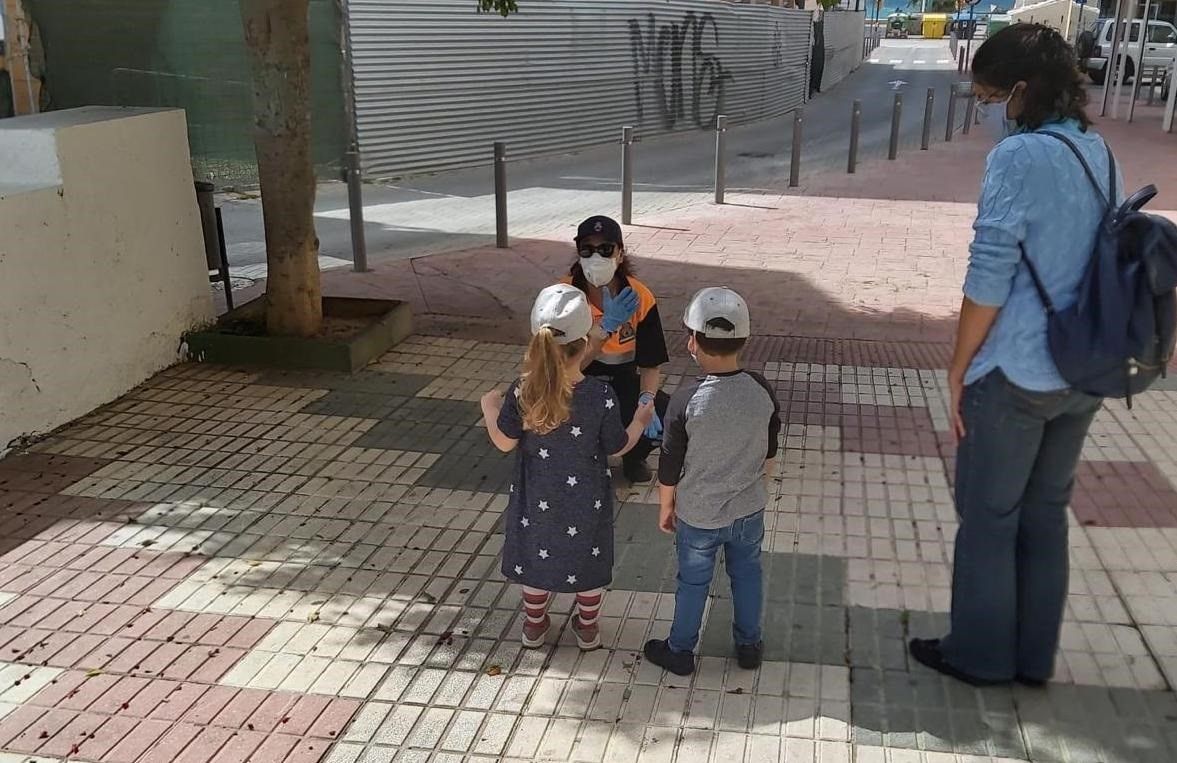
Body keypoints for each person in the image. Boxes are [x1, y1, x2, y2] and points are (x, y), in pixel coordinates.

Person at [909, 24, 1116, 687]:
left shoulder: (1017, 158)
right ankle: (1030, 659)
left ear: (1019, 91)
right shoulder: (1096, 148)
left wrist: (957, 365)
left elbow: (987, 276)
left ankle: (978, 654)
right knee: (1044, 513)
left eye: (987, 93)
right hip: (1082, 366)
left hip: (1015, 370)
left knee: (988, 518)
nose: (983, 106)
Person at [481, 284, 653, 651]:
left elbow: (504, 442)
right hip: (586, 499)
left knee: (535, 555)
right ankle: (588, 628)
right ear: (585, 340)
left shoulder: (522, 390)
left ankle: (534, 626)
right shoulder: (600, 395)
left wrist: (489, 408)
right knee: (587, 560)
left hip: (535, 499)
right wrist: (640, 418)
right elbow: (618, 445)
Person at [643, 287, 781, 677]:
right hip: (749, 510)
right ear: (745, 339)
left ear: (693, 342)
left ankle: (681, 650)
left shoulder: (687, 401)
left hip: (699, 514)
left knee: (693, 581)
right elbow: (769, 451)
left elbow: (669, 464)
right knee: (748, 574)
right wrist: (756, 488)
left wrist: (667, 507)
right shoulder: (761, 389)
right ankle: (749, 644)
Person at [566, 215, 670, 485]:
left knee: (664, 409)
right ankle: (577, 456)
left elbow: (651, 362)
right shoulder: (563, 296)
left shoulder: (640, 297)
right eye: (587, 249)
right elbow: (563, 372)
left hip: (622, 379)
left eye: (606, 249)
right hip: (577, 380)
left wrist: (646, 400)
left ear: (620, 254)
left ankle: (634, 456)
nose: (596, 256)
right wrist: (605, 329)